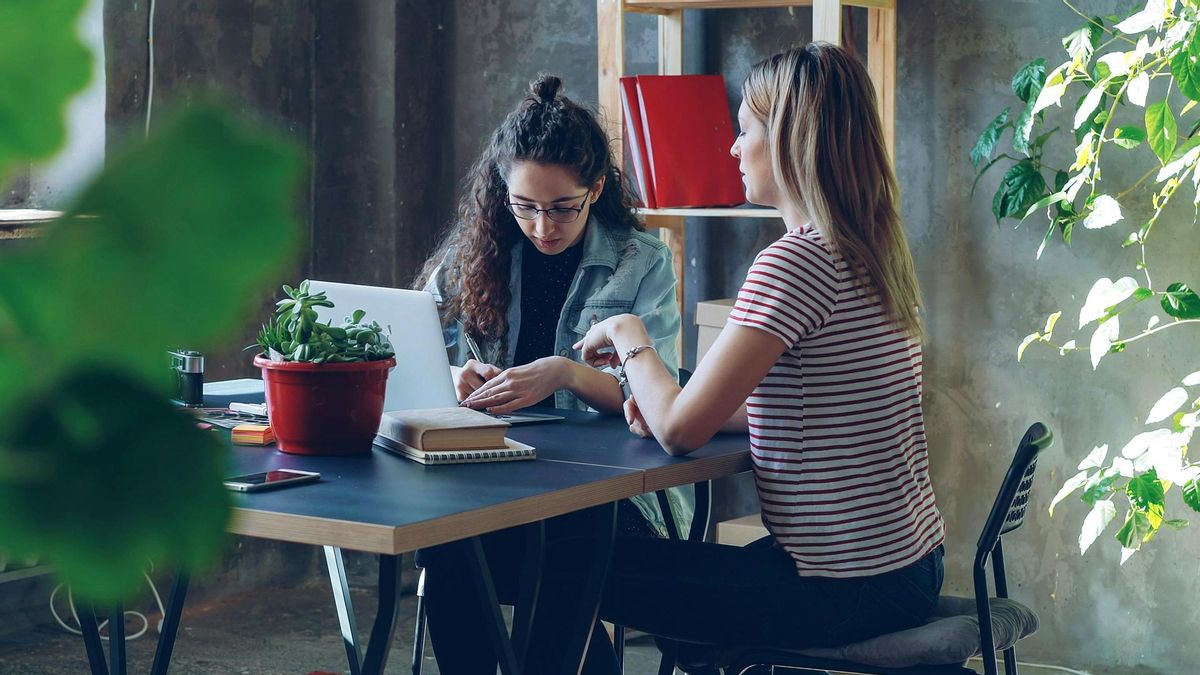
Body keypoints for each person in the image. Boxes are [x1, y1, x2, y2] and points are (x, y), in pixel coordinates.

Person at [550, 42, 946, 673]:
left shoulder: (796, 263)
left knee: (564, 564)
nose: (733, 149)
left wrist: (628, 333)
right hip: (906, 569)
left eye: (744, 131)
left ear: (790, 141)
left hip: (839, 589)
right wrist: (682, 407)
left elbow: (679, 432)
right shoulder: (870, 250)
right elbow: (818, 406)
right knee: (620, 574)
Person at [412, 73, 690, 674]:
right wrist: (452, 378)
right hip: (496, 479)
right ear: (501, 191)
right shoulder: (473, 255)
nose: (543, 227)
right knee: (446, 540)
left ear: (596, 188)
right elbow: (412, 356)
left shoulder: (640, 261)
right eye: (525, 207)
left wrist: (565, 374)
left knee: (567, 544)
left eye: (563, 208)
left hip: (611, 493)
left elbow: (659, 400)